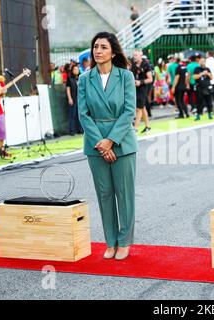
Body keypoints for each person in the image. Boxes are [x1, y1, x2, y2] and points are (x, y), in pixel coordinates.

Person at [78, 32, 137, 261]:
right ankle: (110, 242)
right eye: (95, 47)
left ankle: (124, 242)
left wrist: (110, 141)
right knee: (104, 194)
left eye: (103, 47)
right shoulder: (85, 79)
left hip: (122, 142)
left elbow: (129, 111)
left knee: (124, 194)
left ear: (113, 51)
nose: (98, 51)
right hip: (95, 144)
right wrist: (101, 144)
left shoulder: (126, 77)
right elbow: (83, 114)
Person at [131, 49, 153, 133]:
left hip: (143, 88)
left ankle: (135, 128)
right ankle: (147, 126)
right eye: (134, 55)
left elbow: (150, 79)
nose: (134, 57)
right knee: (142, 108)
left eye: (136, 55)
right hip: (135, 88)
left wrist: (140, 82)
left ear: (141, 55)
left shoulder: (146, 65)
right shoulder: (133, 64)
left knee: (138, 108)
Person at [66, 64, 83, 135]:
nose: (76, 70)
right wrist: (70, 98)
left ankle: (81, 130)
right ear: (72, 71)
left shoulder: (81, 78)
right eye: (74, 69)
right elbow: (68, 89)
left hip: (80, 99)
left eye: (77, 69)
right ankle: (72, 130)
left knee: (81, 115)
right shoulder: (69, 78)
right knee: (72, 115)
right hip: (73, 98)